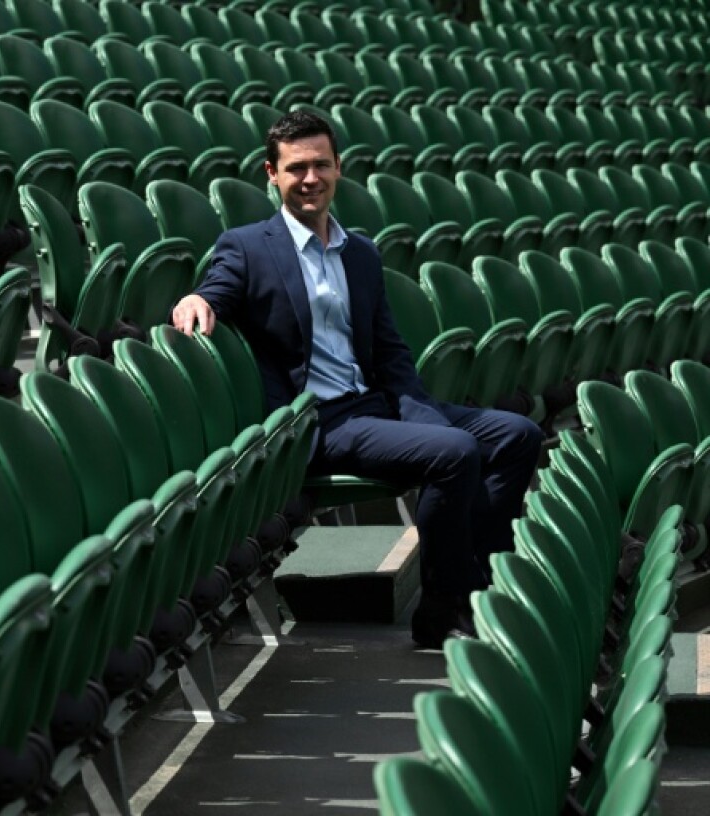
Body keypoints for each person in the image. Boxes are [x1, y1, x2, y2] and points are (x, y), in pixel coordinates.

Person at [171, 110, 543, 649]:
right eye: (296, 168)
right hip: (317, 422)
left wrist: (419, 409)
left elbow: (389, 351)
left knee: (517, 435)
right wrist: (197, 297)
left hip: (373, 403)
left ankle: (472, 585)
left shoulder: (360, 251)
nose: (310, 179)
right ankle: (443, 610)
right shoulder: (248, 245)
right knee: (456, 452)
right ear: (270, 174)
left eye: (321, 165)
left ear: (339, 168)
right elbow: (218, 287)